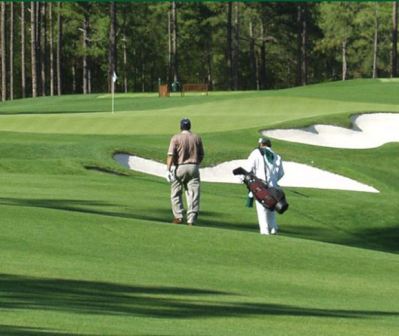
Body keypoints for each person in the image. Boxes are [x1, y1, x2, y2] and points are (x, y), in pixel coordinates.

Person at [166, 118, 204, 225]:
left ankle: (178, 217)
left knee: (176, 192)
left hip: (179, 167)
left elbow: (171, 155)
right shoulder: (197, 138)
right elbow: (201, 155)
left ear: (181, 126)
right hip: (194, 167)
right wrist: (196, 164)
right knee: (193, 193)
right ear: (190, 126)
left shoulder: (176, 138)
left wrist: (168, 169)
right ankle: (191, 219)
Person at [243, 137, 285, 235]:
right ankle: (273, 228)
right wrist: (274, 180)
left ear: (261, 144)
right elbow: (281, 173)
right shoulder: (277, 156)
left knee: (262, 208)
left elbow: (248, 168)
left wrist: (244, 179)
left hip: (260, 186)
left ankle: (265, 230)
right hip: (274, 187)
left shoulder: (256, 153)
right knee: (271, 207)